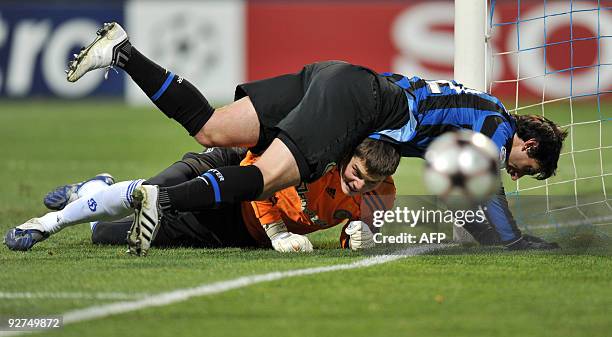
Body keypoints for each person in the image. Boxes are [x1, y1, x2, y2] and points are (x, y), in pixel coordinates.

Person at [65, 22, 566, 251]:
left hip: (337, 78)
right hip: (362, 101)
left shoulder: (480, 111)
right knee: (263, 179)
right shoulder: (498, 127)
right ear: (529, 146)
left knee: (211, 128)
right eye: (528, 169)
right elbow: (481, 185)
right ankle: (159, 198)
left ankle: (123, 52)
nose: (517, 174)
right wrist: (511, 239)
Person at [4, 140, 398, 254]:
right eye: (356, 172)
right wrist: (277, 231)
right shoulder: (319, 156)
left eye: (371, 181)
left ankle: (93, 190)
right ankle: (44, 226)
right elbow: (259, 172)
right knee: (152, 193)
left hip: (236, 232)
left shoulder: (381, 194)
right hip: (229, 171)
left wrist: (362, 234)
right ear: (347, 157)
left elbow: (358, 233)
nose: (359, 184)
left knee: (101, 235)